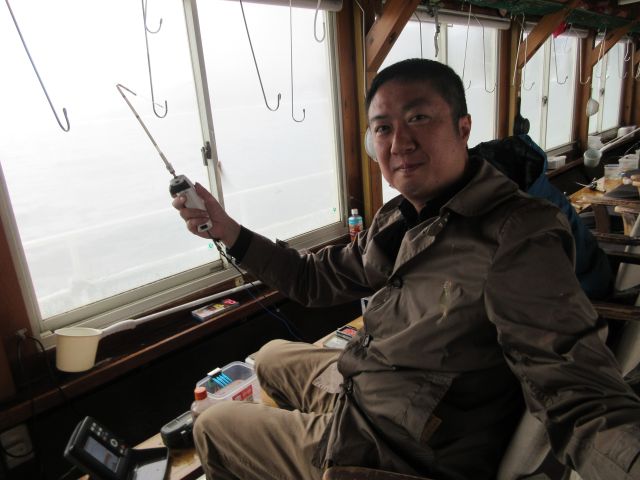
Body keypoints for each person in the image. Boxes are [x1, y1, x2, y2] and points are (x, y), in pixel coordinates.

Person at [173, 59, 640, 480]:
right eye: (383, 128)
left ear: (463, 127)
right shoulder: (400, 217)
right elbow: (313, 280)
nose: (399, 143)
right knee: (272, 355)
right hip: (373, 390)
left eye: (418, 118)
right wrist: (230, 232)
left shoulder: (517, 234)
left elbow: (576, 390)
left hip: (397, 448)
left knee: (213, 424)